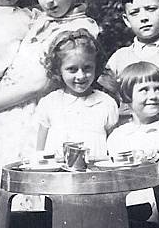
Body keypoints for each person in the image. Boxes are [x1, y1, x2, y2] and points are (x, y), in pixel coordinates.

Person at [0, 0, 100, 197]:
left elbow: (41, 82)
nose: (48, 0)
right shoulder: (39, 21)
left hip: (37, 114)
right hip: (6, 115)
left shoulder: (79, 28)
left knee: (30, 185)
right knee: (3, 185)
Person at [106, 61, 159, 222]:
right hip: (124, 213)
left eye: (158, 89)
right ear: (127, 96)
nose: (153, 96)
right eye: (144, 90)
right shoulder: (118, 137)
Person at [35, 29, 119, 161]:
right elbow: (40, 151)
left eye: (87, 68)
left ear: (96, 67)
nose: (80, 76)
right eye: (72, 69)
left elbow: (114, 148)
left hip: (95, 176)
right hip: (58, 176)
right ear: (58, 69)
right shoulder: (50, 103)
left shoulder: (106, 103)